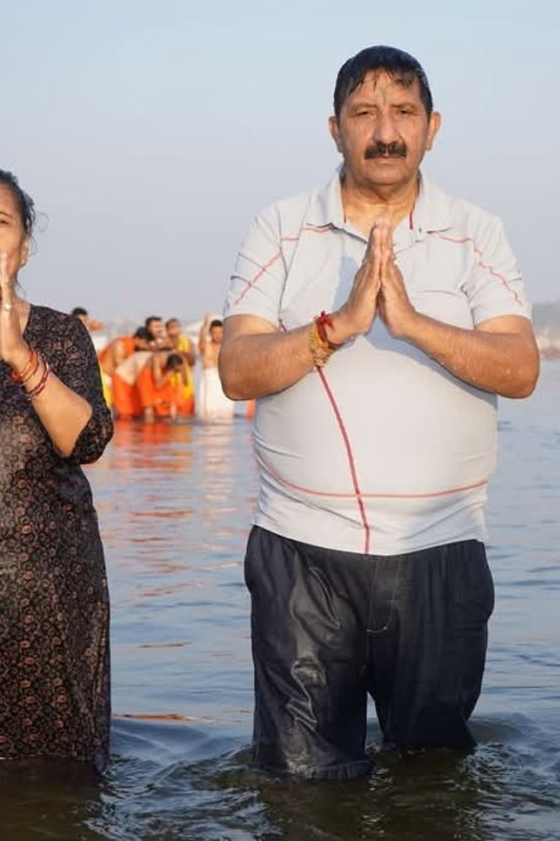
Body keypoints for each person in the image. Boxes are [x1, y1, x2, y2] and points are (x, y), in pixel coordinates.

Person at [219, 45, 539, 780]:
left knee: (431, 784)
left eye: (403, 113)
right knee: (301, 790)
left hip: (441, 549)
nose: (385, 131)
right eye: (365, 114)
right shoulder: (281, 226)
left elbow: (520, 368)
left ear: (433, 126)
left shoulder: (474, 231)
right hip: (301, 552)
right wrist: (340, 325)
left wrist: (414, 322)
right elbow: (237, 371)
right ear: (335, 129)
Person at [0, 165, 113, 770]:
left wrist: (17, 352)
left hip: (51, 591)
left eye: (0, 221)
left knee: (57, 774)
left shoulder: (60, 334)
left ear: (26, 242)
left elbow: (87, 439)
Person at [196, 313, 236, 421]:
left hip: (223, 380)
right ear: (210, 333)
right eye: (215, 332)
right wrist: (205, 324)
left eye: (220, 332)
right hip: (209, 380)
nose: (217, 335)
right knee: (208, 411)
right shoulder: (206, 346)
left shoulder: (227, 347)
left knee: (225, 412)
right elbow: (201, 340)